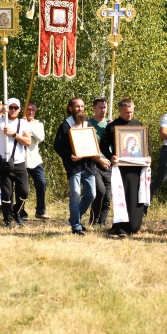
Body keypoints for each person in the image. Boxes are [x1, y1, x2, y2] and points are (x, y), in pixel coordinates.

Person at [100, 98, 149, 238]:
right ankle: (121, 227)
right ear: (120, 111)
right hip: (121, 169)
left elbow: (146, 144)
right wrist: (111, 157)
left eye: (132, 112)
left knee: (136, 196)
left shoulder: (138, 125)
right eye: (127, 112)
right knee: (124, 196)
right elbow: (103, 144)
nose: (130, 115)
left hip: (137, 168)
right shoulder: (112, 127)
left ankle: (134, 225)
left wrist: (148, 157)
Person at [53, 97, 97, 235]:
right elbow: (57, 146)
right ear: (70, 108)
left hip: (88, 165)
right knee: (76, 194)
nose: (80, 109)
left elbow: (92, 143)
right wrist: (69, 156)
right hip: (74, 166)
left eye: (82, 106)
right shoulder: (66, 125)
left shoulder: (88, 124)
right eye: (77, 106)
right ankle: (76, 225)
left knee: (91, 194)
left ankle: (74, 218)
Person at [0, 98, 31, 228]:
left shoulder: (23, 123)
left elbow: (28, 141)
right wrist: (0, 113)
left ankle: (16, 212)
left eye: (16, 108)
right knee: (6, 193)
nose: (13, 110)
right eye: (11, 107)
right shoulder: (0, 121)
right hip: (4, 162)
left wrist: (13, 134)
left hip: (19, 162)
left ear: (20, 109)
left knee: (24, 192)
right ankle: (7, 220)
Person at [88, 97, 113, 226]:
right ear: (94, 108)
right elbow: (85, 146)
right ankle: (93, 220)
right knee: (100, 191)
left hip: (109, 164)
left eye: (104, 107)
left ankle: (102, 223)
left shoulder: (110, 125)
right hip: (94, 163)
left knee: (108, 196)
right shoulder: (88, 124)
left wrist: (114, 128)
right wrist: (99, 159)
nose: (103, 110)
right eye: (100, 107)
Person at [23, 101, 48, 220]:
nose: (30, 112)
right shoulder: (19, 123)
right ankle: (21, 210)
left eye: (32, 110)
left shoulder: (38, 124)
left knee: (41, 183)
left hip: (35, 160)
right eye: (28, 109)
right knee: (23, 188)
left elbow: (41, 138)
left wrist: (29, 129)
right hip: (22, 159)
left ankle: (41, 211)